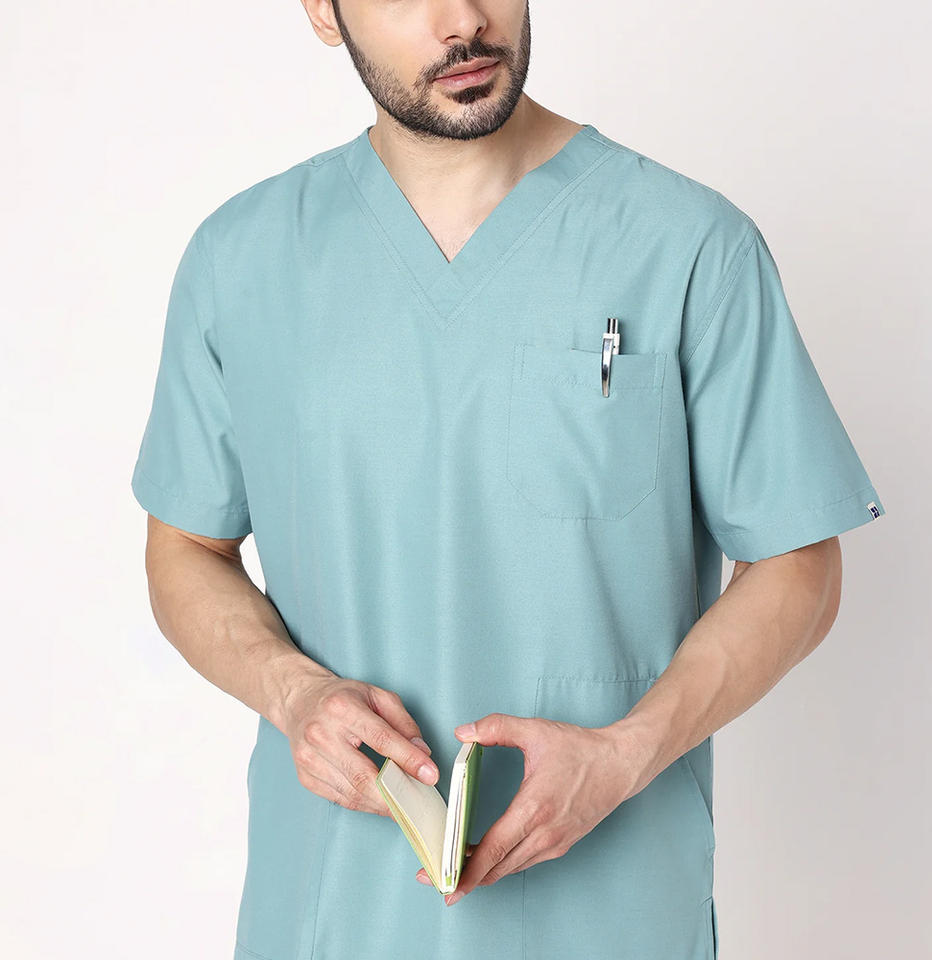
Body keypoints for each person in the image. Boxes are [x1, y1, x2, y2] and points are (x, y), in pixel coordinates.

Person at [130, 1, 887, 957]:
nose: (463, 20)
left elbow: (798, 563)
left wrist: (624, 755)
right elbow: (186, 548)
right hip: (332, 916)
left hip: (613, 919)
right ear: (323, 11)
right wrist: (290, 693)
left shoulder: (689, 245)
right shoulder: (241, 261)